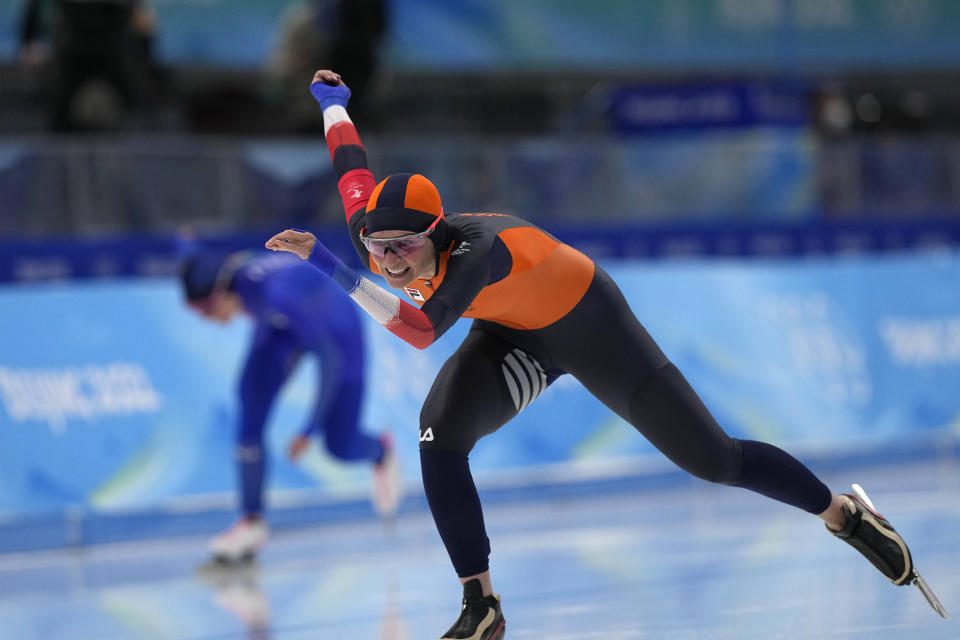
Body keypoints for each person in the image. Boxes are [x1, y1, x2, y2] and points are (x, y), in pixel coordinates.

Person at [265, 70, 925, 639]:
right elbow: (351, 168)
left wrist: (324, 263)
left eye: (402, 251)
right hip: (512, 330)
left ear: (435, 235)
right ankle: (481, 604)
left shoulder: (473, 252)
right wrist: (334, 102)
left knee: (714, 460)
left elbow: (415, 331)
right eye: (376, 252)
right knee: (439, 436)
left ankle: (842, 514)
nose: (388, 263)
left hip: (589, 323)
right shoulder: (373, 233)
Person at [181, 248, 401, 562]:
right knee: (250, 395)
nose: (208, 321)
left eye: (205, 311)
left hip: (338, 336)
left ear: (218, 295)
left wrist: (309, 430)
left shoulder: (278, 295)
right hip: (283, 326)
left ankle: (380, 449)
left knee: (338, 445)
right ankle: (251, 522)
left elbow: (330, 359)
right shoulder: (243, 284)